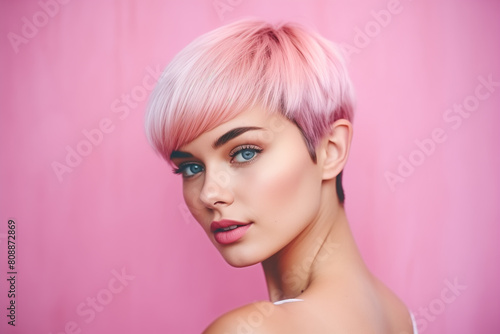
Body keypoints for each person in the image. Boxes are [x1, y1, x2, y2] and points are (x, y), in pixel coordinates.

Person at [145, 19, 417, 333]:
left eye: (245, 152)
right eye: (191, 167)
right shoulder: (397, 314)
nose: (209, 194)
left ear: (330, 149)